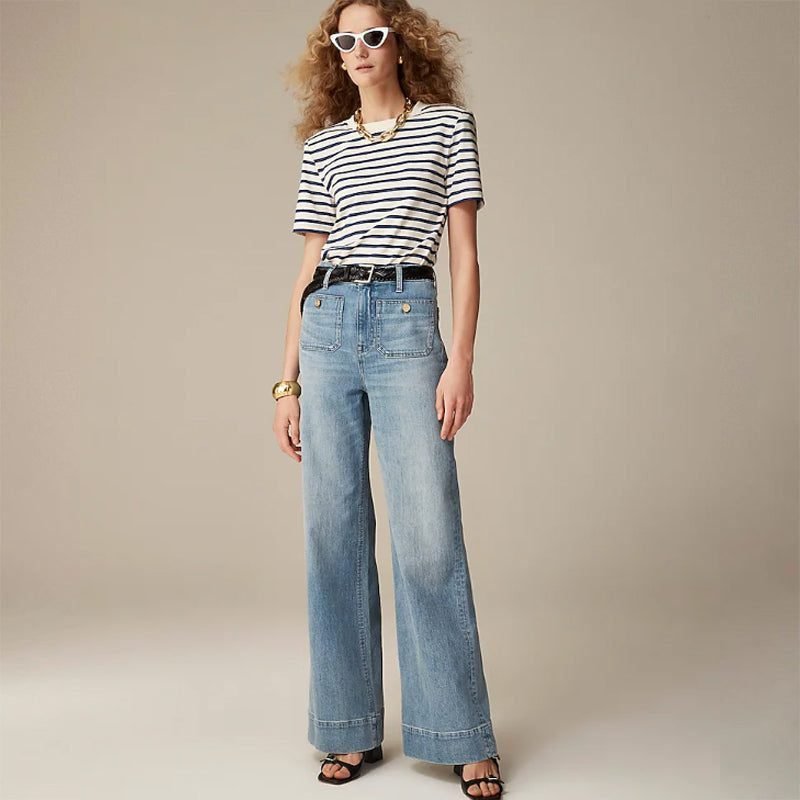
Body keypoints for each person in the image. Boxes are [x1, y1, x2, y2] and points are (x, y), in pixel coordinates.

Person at [273, 2, 505, 796]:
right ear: (334, 54)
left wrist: (460, 358)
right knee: (332, 535)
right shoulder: (324, 146)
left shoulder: (447, 127)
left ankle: (462, 734)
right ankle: (347, 728)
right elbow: (308, 267)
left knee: (428, 536)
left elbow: (465, 256)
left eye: (373, 35)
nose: (360, 49)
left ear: (402, 43)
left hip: (408, 322)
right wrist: (286, 380)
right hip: (327, 327)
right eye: (346, 39)